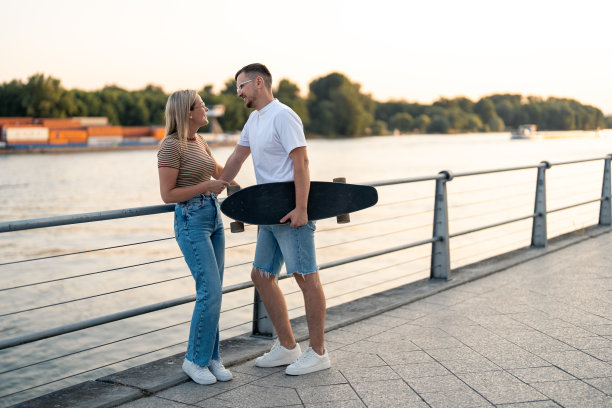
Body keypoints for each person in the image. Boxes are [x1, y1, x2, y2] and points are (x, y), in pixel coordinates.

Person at [220, 63, 330, 375]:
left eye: (241, 86)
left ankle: (318, 353)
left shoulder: (283, 115)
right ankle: (286, 346)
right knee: (261, 274)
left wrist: (302, 208)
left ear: (259, 82)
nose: (238, 93)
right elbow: (236, 158)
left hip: (292, 212)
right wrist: (215, 189)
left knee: (305, 277)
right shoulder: (254, 120)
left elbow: (301, 160)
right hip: (268, 214)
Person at [157, 89, 234, 385]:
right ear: (188, 112)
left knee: (215, 293)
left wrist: (241, 190)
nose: (206, 109)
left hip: (214, 218)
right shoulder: (170, 147)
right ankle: (194, 360)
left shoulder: (200, 140)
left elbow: (218, 172)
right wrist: (206, 187)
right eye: (202, 106)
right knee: (209, 291)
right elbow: (167, 195)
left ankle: (212, 357)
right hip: (191, 221)